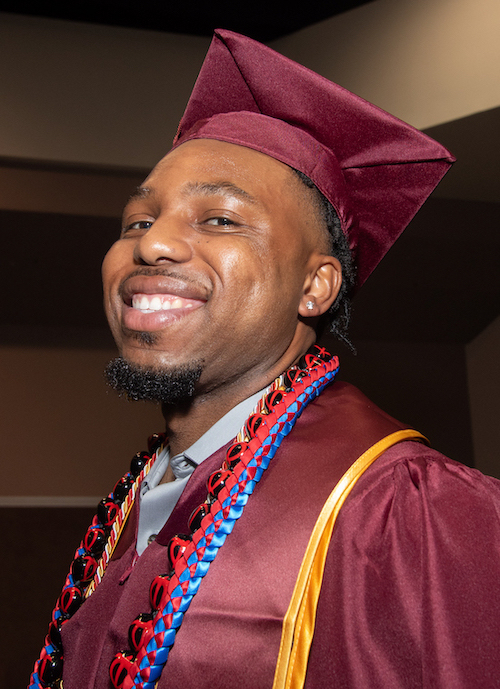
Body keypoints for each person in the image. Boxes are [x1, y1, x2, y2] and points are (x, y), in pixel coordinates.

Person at [30, 29, 500, 689]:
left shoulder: (410, 515)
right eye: (136, 221)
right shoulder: (138, 501)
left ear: (316, 287)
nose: (152, 243)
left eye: (219, 219)